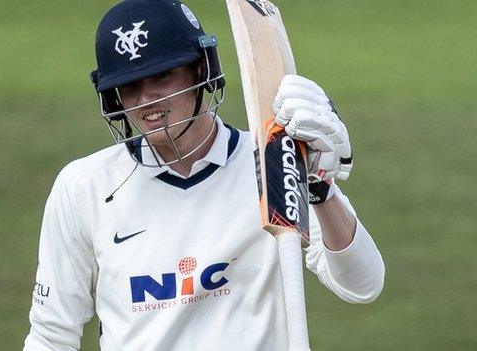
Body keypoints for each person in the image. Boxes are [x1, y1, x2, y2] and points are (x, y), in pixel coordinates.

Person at [23, 1, 385, 350]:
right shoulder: (85, 186)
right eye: (130, 86)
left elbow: (362, 284)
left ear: (201, 69)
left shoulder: (269, 164)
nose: (146, 99)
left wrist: (319, 186)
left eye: (162, 76)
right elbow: (51, 336)